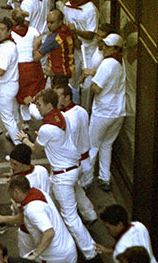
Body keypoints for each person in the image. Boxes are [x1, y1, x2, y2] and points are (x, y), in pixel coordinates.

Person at [18, 89, 99, 262]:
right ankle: (90, 217)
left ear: (49, 105)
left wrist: (25, 139)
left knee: (71, 218)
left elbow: (36, 150)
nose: (38, 108)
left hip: (63, 175)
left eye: (39, 105)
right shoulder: (61, 116)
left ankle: (91, 253)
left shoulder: (47, 128)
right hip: (70, 169)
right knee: (58, 204)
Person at [0, 176, 77, 262]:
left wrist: (35, 254)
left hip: (55, 257)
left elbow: (49, 232)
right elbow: (25, 218)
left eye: (10, 193)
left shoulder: (33, 209)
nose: (11, 196)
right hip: (66, 249)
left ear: (16, 192)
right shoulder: (38, 193)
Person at [87, 33, 126, 192]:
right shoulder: (121, 62)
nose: (104, 47)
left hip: (103, 111)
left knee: (92, 146)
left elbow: (96, 88)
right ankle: (105, 178)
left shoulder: (107, 63)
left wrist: (91, 80)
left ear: (115, 49)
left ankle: (86, 180)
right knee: (106, 145)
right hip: (118, 111)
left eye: (108, 46)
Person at [54, 83, 97, 222]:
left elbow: (65, 142)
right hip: (84, 160)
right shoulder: (81, 110)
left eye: (57, 97)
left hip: (73, 163)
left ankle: (69, 219)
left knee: (63, 191)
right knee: (76, 189)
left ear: (67, 97)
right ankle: (90, 214)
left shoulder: (68, 118)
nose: (55, 100)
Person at [64, 0, 99, 111]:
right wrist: (74, 38)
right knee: (73, 81)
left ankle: (85, 110)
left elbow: (90, 34)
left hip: (89, 52)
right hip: (76, 50)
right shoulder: (67, 6)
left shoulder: (90, 9)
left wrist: (76, 32)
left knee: (87, 85)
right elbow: (68, 28)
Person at [10, 7, 44, 126]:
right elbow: (40, 42)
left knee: (22, 95)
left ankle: (25, 121)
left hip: (20, 68)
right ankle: (37, 112)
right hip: (33, 67)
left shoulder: (11, 34)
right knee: (34, 92)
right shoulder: (33, 31)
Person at [33, 10, 75, 82]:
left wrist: (35, 45)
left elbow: (36, 58)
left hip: (58, 76)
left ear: (60, 22)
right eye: (47, 22)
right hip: (71, 73)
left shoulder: (54, 38)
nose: (48, 25)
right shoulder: (68, 31)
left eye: (52, 22)